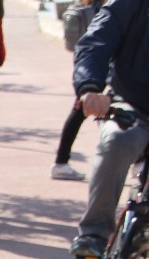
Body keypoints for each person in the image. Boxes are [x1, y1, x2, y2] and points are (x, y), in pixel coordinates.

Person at [68, 0, 149, 259]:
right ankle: (94, 233)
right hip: (131, 105)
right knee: (118, 139)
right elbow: (94, 45)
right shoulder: (130, 4)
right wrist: (90, 88)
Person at [51, 0, 102, 181]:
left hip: (92, 59)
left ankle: (61, 162)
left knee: (82, 110)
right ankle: (61, 162)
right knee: (81, 109)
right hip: (96, 62)